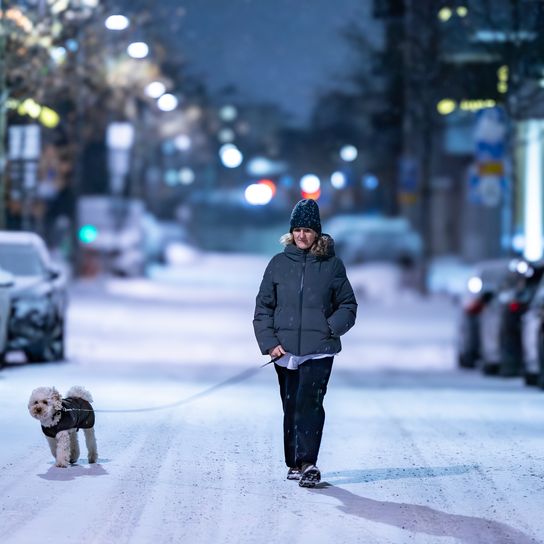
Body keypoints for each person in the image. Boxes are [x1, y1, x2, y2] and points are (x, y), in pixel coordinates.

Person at [253, 199, 357, 487]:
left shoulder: (332, 265)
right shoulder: (277, 264)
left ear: (317, 233)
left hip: (319, 351)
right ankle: (295, 462)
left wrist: (329, 328)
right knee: (292, 405)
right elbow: (263, 309)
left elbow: (348, 305)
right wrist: (270, 343)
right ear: (291, 233)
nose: (302, 235)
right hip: (284, 352)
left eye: (308, 230)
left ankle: (308, 462)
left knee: (310, 403)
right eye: (297, 230)